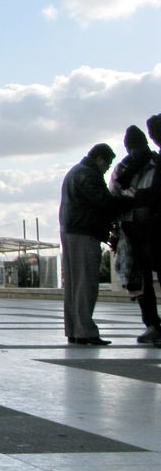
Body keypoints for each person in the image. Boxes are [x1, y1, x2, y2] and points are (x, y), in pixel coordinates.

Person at [60, 143, 131, 345]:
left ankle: (74, 330)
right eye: (107, 164)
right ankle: (85, 331)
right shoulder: (88, 175)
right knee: (86, 283)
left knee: (74, 285)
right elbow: (103, 202)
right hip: (84, 233)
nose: (107, 168)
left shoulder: (75, 172)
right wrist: (128, 200)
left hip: (71, 231)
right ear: (99, 159)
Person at [110, 122, 160, 346]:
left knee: (140, 281)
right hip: (151, 226)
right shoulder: (154, 161)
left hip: (133, 228)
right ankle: (152, 326)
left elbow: (112, 196)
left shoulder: (122, 168)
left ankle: (151, 325)